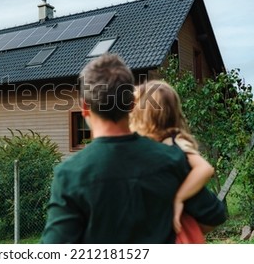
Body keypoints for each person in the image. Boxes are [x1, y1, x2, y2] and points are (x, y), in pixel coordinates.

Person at [40, 54, 226, 243]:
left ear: (85, 108)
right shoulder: (171, 158)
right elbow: (214, 216)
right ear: (131, 104)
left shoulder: (70, 174)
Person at [130, 80, 214, 242]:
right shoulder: (157, 143)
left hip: (178, 232)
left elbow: (205, 168)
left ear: (145, 115)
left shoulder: (174, 142)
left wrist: (179, 198)